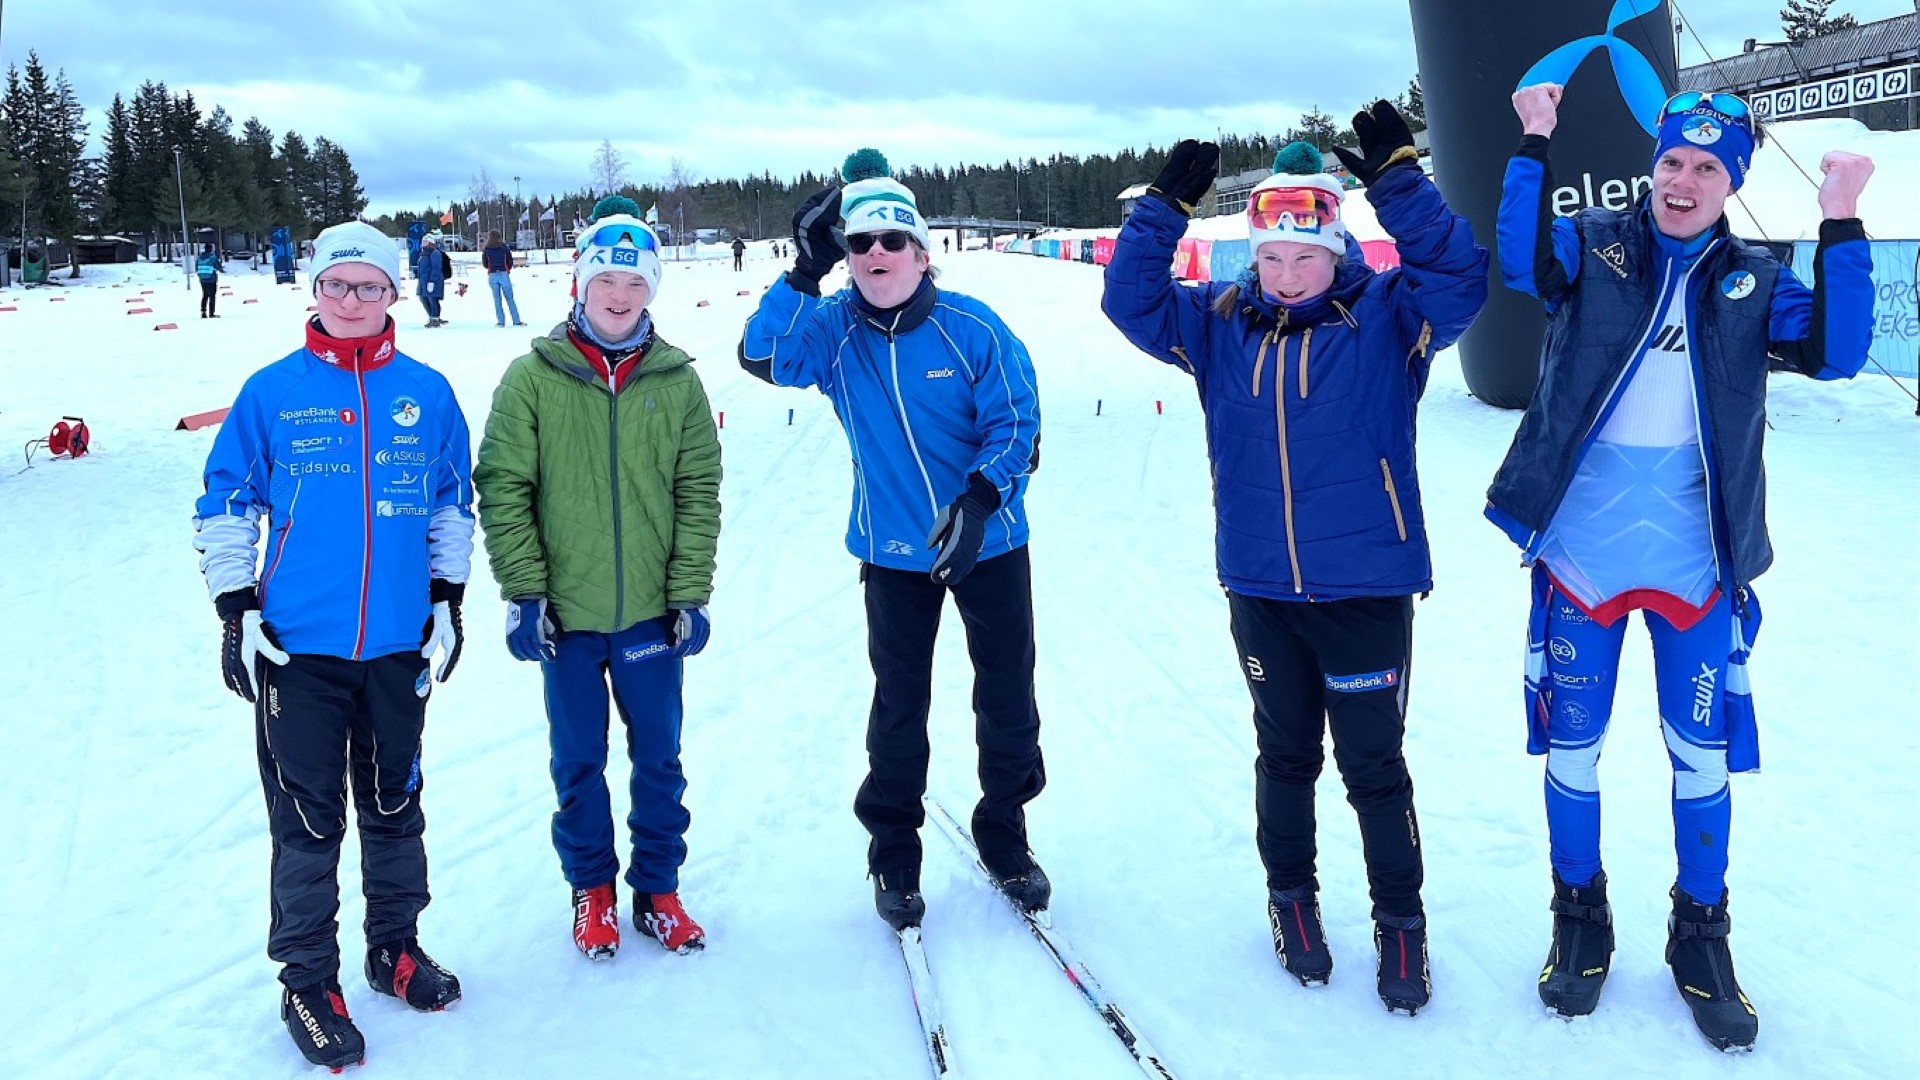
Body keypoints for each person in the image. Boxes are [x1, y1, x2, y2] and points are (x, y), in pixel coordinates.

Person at [1492, 84, 1875, 1051]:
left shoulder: (1751, 277)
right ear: (1651, 169)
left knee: (1700, 759)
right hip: (1582, 558)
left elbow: (1838, 352)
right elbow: (1520, 259)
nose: (1685, 180)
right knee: (1572, 750)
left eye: (1709, 168)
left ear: (1732, 185)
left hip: (1695, 567)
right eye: (1672, 162)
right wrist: (1534, 141)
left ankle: (1700, 934)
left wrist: (1840, 219)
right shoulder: (1600, 245)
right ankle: (1580, 917)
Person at [1101, 103, 1488, 1016]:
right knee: (1284, 759)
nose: (1285, 273)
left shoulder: (1391, 318)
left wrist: (1399, 181)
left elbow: (1460, 278)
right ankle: (1293, 904)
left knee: (1375, 767)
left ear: (1337, 253)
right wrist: (1161, 208)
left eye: (1304, 256)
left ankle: (1401, 925)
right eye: (1270, 256)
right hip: (1261, 588)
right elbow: (1130, 302)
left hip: (1366, 588)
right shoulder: (1219, 321)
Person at [191, 219, 475, 1071]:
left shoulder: (427, 393)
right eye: (338, 285)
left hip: (394, 645)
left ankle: (394, 949)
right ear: (314, 290)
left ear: (395, 295)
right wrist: (236, 610)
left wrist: (446, 601)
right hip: (298, 654)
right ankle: (308, 982)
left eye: (372, 286)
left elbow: (449, 505)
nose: (354, 300)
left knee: (394, 805)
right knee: (309, 822)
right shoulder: (270, 393)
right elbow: (227, 502)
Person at [740, 149, 1046, 932]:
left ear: (922, 251)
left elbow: (1018, 422)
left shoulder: (972, 327)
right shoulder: (833, 331)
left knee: (1007, 696)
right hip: (892, 553)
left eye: (892, 241)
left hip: (989, 543)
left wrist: (980, 501)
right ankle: (894, 854)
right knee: (899, 706)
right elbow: (761, 356)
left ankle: (1005, 832)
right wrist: (801, 278)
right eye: (859, 244)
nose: (876, 255)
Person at [473, 195, 722, 962]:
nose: (620, 296)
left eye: (636, 283)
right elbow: (503, 485)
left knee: (660, 760)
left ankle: (658, 889)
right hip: (568, 622)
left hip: (650, 614)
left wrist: (689, 593)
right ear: (579, 284)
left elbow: (697, 492)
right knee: (578, 762)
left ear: (652, 290)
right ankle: (594, 892)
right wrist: (525, 593)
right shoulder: (532, 379)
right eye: (608, 280)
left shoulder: (676, 381)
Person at [482, 229, 525, 328]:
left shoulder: (486, 249)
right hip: (503, 273)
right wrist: (506, 269)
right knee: (510, 298)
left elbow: (485, 264)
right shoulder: (504, 248)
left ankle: (501, 322)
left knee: (497, 300)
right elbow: (509, 261)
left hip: (492, 275)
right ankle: (516, 321)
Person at [415, 234, 446, 327]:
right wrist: (416, 272)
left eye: (425, 241)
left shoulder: (434, 253)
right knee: (423, 298)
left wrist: (432, 281)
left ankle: (435, 318)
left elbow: (436, 268)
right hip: (423, 281)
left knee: (433, 299)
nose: (423, 243)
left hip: (432, 280)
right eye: (423, 241)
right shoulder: (424, 253)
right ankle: (432, 316)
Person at [196, 243, 221, 317]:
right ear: (211, 249)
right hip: (211, 279)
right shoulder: (213, 258)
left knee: (205, 295)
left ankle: (203, 312)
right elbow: (218, 267)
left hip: (202, 279)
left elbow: (196, 268)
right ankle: (211, 313)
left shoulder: (199, 258)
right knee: (212, 296)